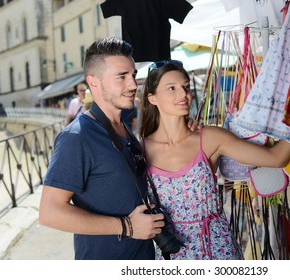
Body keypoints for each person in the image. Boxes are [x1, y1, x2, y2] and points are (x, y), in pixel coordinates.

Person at [39, 38, 201, 260]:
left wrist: (188, 130)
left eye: (133, 75)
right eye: (121, 77)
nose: (134, 84)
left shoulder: (123, 128)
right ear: (93, 83)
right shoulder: (77, 137)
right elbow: (50, 213)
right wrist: (126, 226)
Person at [140, 60, 290, 260]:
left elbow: (276, 158)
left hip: (217, 250)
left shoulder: (210, 138)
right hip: (171, 254)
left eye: (185, 86)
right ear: (152, 98)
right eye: (171, 88)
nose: (183, 94)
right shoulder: (139, 150)